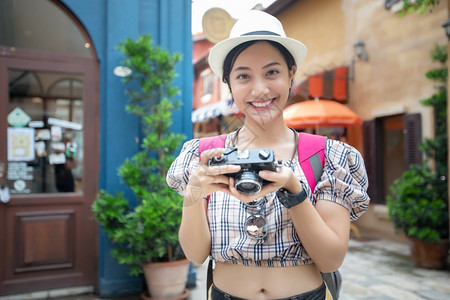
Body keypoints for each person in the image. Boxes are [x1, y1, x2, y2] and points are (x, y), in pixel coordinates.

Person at [167, 10, 370, 300]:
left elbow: (330, 259)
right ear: (229, 84)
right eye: (243, 76)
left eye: (272, 72)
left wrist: (294, 190)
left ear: (291, 75)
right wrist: (195, 190)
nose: (259, 89)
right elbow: (195, 254)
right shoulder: (204, 157)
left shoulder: (327, 156)